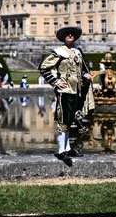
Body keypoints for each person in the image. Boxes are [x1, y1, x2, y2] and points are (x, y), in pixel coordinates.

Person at [39, 26, 94, 163]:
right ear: (63, 37)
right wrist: (55, 82)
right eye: (67, 34)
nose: (70, 35)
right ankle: (61, 151)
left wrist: (85, 75)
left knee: (70, 119)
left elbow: (83, 69)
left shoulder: (78, 51)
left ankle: (68, 148)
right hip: (65, 90)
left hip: (76, 89)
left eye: (72, 34)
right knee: (63, 119)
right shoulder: (58, 52)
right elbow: (43, 67)